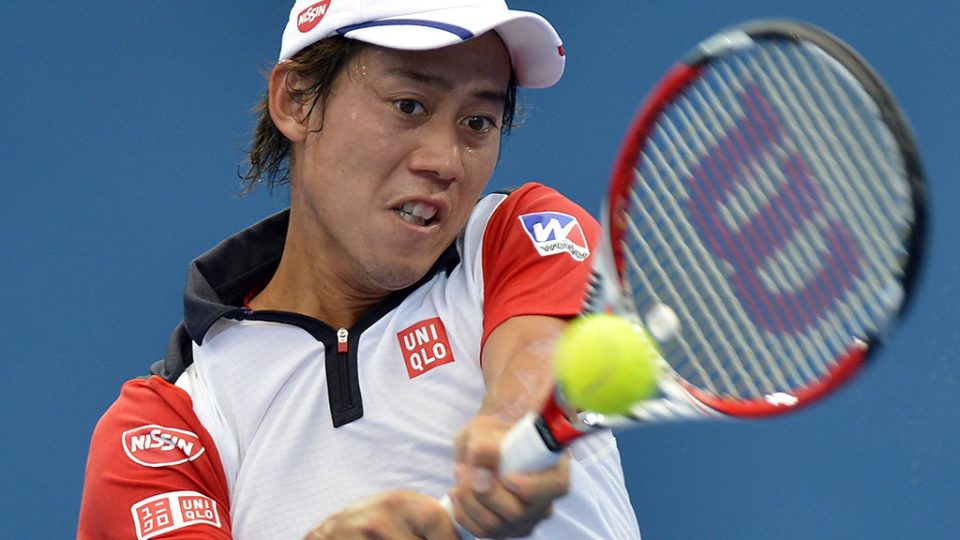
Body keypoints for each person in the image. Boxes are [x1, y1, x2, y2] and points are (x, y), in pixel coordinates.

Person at [78, 1, 641, 538]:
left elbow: (538, 355)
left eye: (478, 121)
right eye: (408, 106)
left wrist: (510, 423)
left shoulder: (520, 233)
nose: (444, 161)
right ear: (296, 100)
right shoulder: (165, 429)